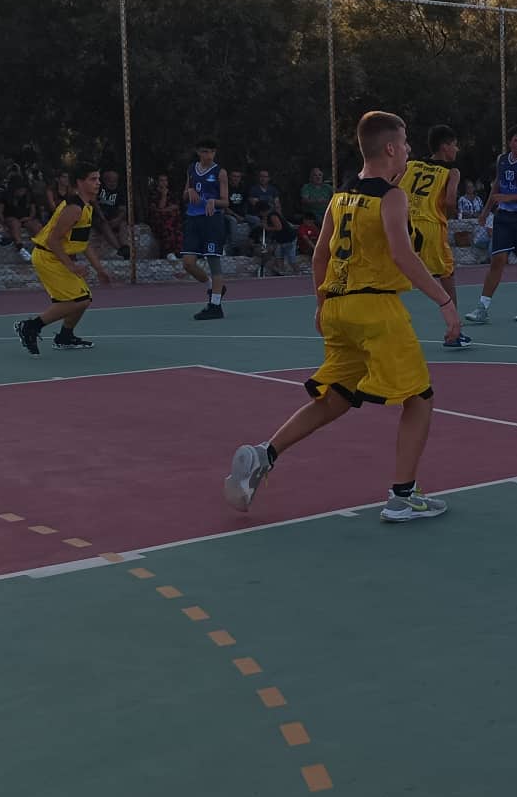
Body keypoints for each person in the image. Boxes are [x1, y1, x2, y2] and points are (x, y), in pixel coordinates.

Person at [224, 111, 462, 523]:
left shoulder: (341, 198)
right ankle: (403, 496)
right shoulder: (392, 197)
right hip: (375, 309)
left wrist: (322, 304)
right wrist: (445, 301)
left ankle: (265, 453)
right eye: (405, 142)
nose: (409, 149)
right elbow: (402, 254)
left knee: (335, 397)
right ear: (391, 148)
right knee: (420, 398)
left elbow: (320, 256)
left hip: (338, 307)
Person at [15, 168, 116, 354]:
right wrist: (72, 266)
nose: (98, 183)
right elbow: (53, 240)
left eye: (98, 179)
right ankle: (30, 327)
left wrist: (99, 269)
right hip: (47, 257)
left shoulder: (86, 207)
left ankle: (65, 337)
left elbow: (83, 244)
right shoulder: (74, 209)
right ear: (80, 182)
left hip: (56, 256)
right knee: (79, 300)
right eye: (93, 179)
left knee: (83, 299)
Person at [401, 124, 473, 349]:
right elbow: (450, 201)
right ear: (444, 147)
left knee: (395, 275)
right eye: (454, 145)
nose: (457, 149)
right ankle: (454, 331)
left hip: (404, 223)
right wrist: (447, 214)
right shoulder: (452, 172)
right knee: (447, 274)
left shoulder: (411, 165)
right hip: (430, 225)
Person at [468, 128, 517, 323]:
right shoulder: (502, 160)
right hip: (504, 217)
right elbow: (497, 186)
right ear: (510, 143)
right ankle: (482, 308)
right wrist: (485, 211)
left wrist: (511, 197)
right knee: (497, 260)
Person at [181, 140, 230, 319]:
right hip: (193, 220)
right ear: (198, 152)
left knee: (213, 262)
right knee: (188, 263)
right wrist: (189, 192)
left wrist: (213, 201)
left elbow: (225, 201)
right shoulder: (191, 169)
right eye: (204, 152)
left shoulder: (220, 172)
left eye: (211, 152)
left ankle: (215, 306)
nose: (208, 155)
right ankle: (213, 287)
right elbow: (185, 195)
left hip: (212, 220)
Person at [92, 168, 131, 260]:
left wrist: (118, 219)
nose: (112, 183)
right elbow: (94, 203)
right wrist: (102, 217)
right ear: (105, 180)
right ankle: (120, 249)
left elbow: (123, 210)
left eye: (115, 181)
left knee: (123, 223)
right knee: (103, 224)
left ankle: (126, 247)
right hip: (99, 218)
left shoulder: (120, 191)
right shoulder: (99, 188)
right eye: (110, 180)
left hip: (113, 218)